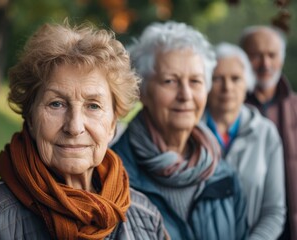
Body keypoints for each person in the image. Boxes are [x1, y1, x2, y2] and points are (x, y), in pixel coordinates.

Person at [0, 22, 169, 240]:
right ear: (30, 117)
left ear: (112, 125)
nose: (74, 127)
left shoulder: (146, 217)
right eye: (56, 104)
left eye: (93, 106)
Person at [112, 21, 248, 240]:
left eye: (195, 81)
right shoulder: (111, 175)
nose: (185, 95)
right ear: (142, 92)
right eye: (170, 81)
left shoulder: (223, 173)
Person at [202, 42, 286, 240]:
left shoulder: (266, 133)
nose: (227, 87)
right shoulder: (189, 131)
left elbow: (274, 211)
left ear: (248, 83)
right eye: (218, 79)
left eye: (235, 78)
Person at [240, 25, 297, 240]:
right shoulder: (228, 112)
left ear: (281, 59)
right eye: (256, 56)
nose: (266, 64)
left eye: (272, 55)